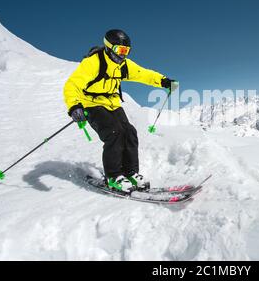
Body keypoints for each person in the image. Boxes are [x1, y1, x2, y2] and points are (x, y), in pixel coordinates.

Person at [63, 29, 178, 192]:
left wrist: (164, 81)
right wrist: (74, 106)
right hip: (91, 104)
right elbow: (72, 85)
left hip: (112, 103)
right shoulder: (93, 62)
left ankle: (130, 173)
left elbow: (143, 74)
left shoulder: (123, 65)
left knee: (129, 132)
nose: (123, 55)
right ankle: (113, 176)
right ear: (109, 47)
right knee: (114, 133)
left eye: (126, 51)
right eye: (120, 50)